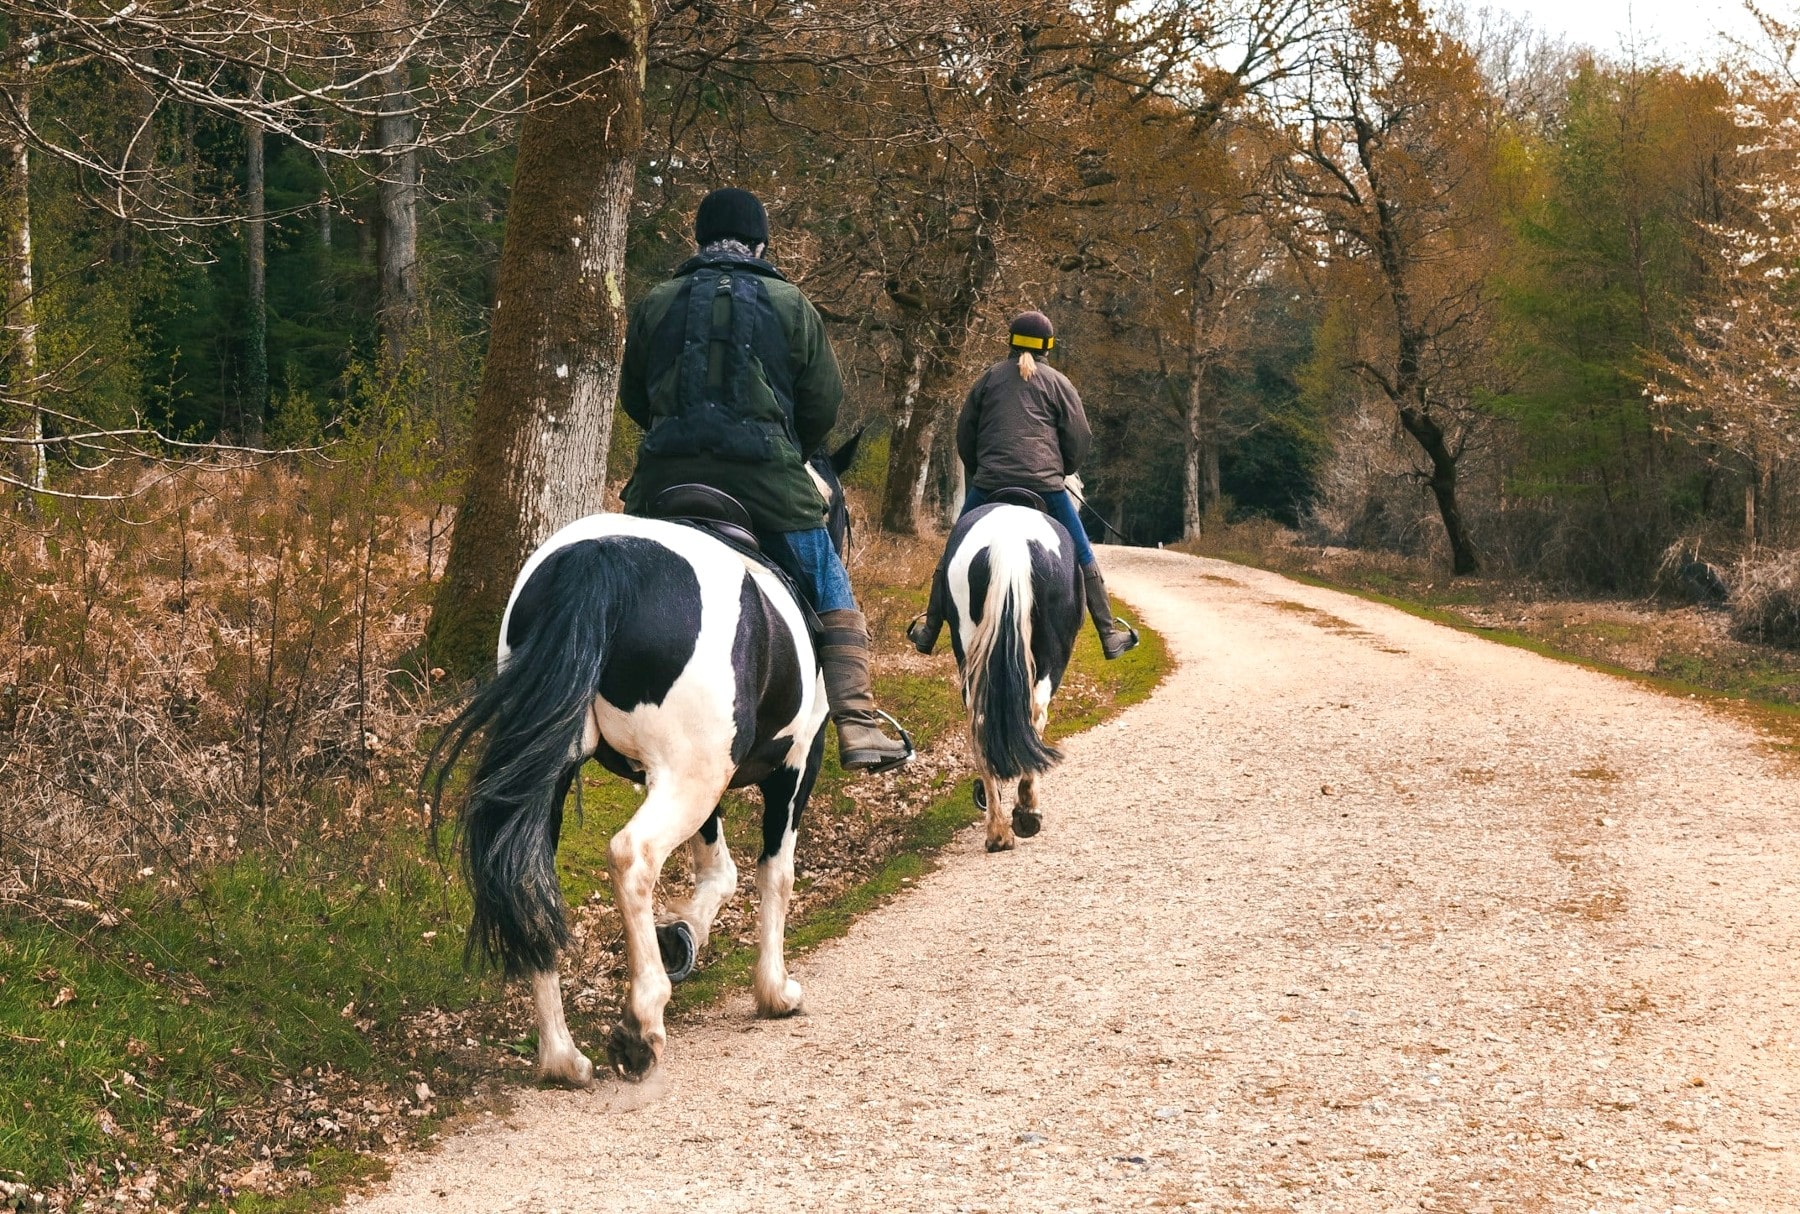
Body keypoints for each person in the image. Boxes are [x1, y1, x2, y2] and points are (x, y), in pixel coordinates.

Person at [618, 187, 910, 773]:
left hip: (662, 481)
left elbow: (634, 397)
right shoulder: (790, 302)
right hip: (767, 483)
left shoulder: (657, 300)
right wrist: (787, 449)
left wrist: (676, 431)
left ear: (698, 239)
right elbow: (822, 404)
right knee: (828, 577)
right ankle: (856, 718)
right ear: (760, 243)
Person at [907, 310, 1139, 660]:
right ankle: (1108, 634)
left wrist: (982, 470)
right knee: (1083, 552)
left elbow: (965, 435)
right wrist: (1062, 470)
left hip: (989, 485)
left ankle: (929, 630)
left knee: (953, 549)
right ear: (1048, 346)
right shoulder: (1060, 384)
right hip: (1046, 487)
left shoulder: (987, 380)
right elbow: (1079, 438)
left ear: (1011, 342)